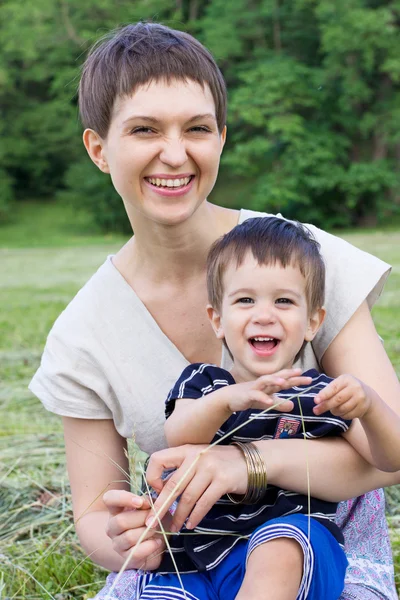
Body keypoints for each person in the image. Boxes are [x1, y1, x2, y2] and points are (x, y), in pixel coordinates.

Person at [27, 22, 400, 600]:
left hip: (321, 544)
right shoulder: (84, 333)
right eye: (145, 129)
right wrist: (122, 538)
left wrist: (246, 462)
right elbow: (94, 514)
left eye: (196, 129)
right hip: (193, 555)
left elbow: (389, 460)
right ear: (99, 148)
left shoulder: (300, 257)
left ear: (221, 138)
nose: (174, 153)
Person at [136, 217, 400, 600]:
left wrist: (370, 406)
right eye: (245, 300)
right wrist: (228, 400)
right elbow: (177, 436)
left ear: (312, 322)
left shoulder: (318, 394)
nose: (264, 314)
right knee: (163, 592)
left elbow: (391, 459)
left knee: (279, 547)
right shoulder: (205, 384)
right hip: (196, 557)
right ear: (217, 320)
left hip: (294, 547)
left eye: (284, 301)